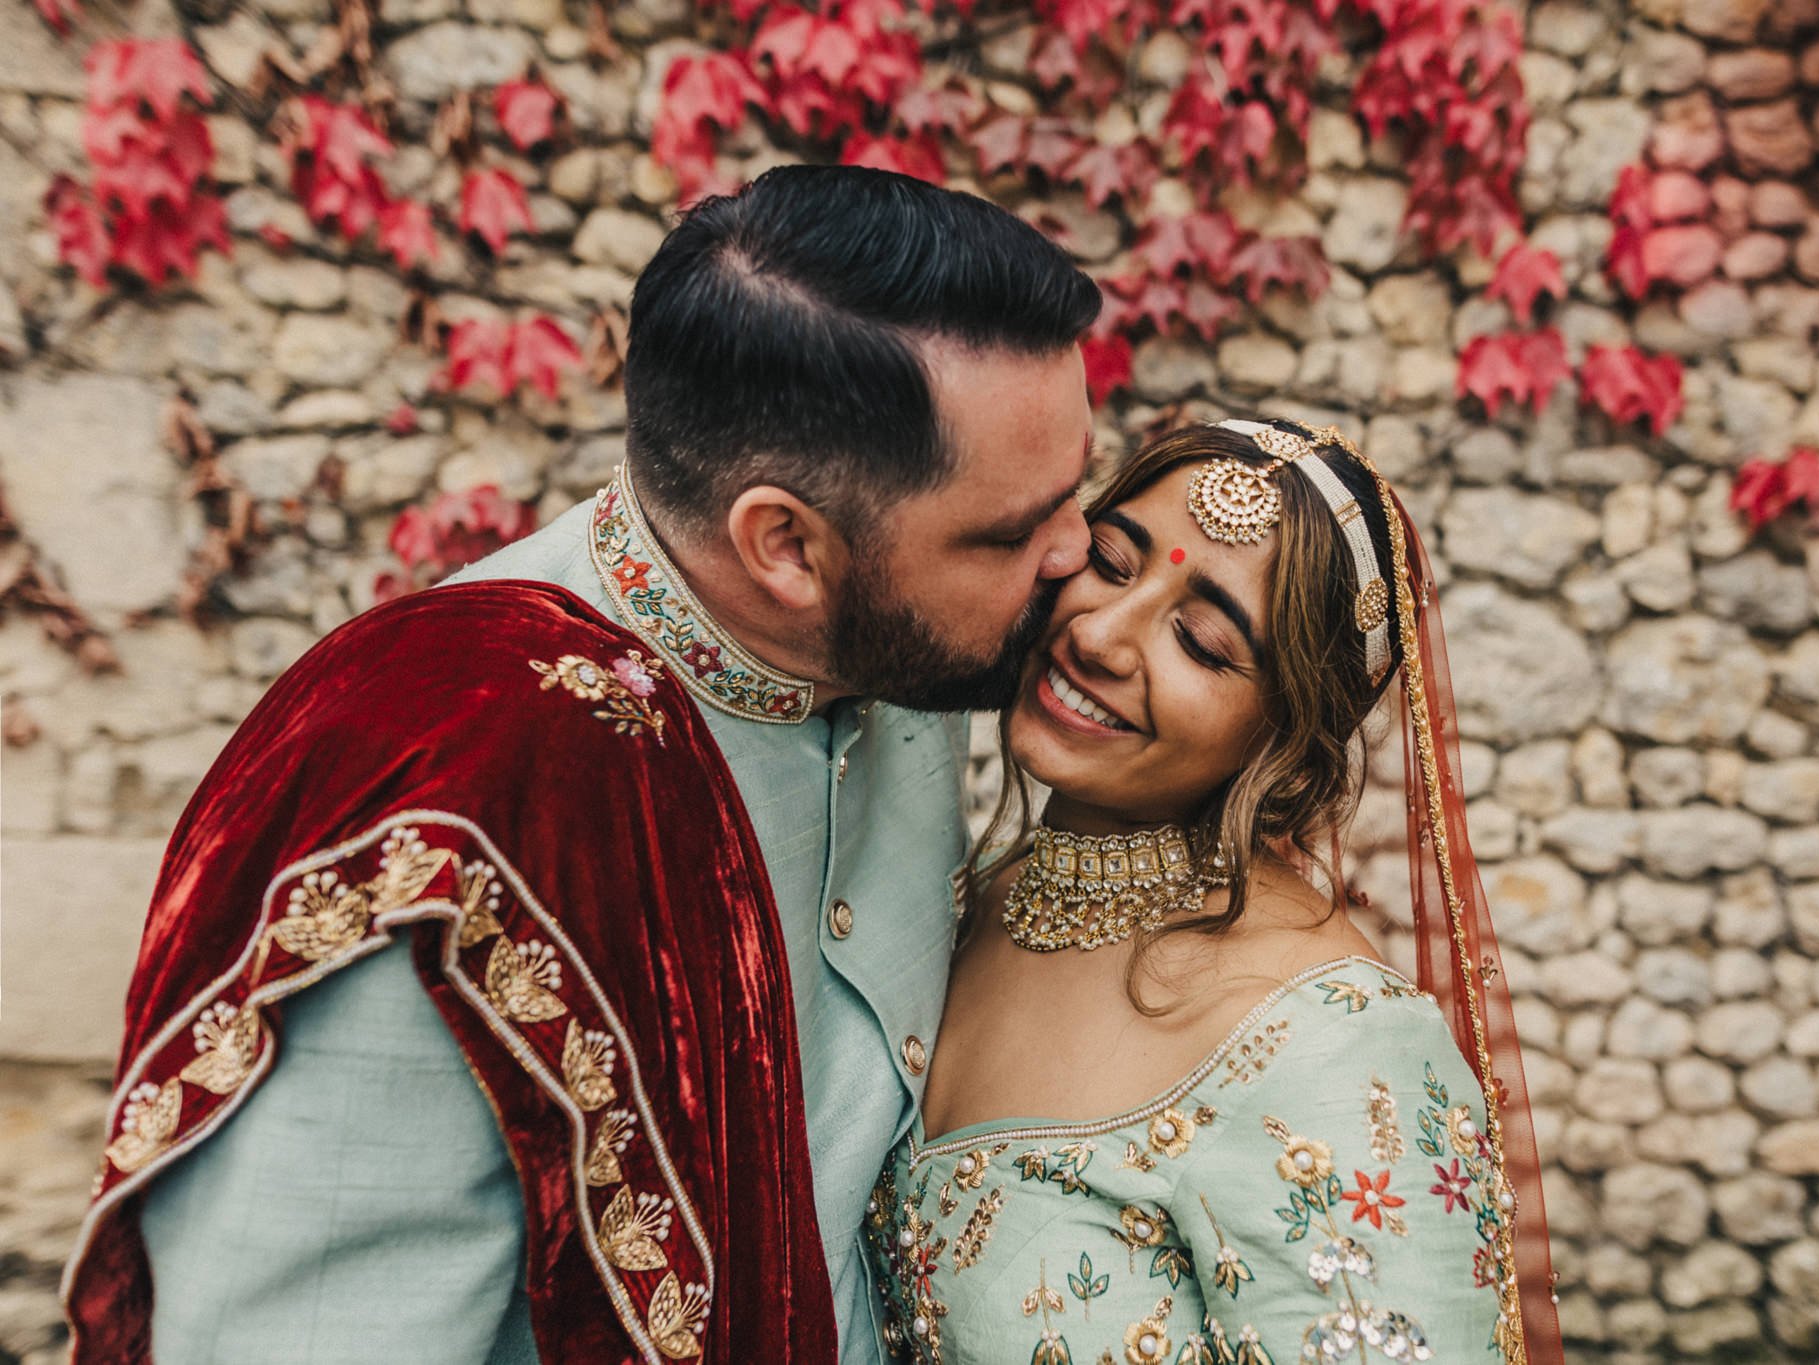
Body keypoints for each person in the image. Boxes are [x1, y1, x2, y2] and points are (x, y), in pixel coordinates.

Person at [63, 165, 1100, 1364]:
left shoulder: (904, 650)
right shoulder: (447, 799)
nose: (1075, 554)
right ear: (788, 548)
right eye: (1015, 529)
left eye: (1068, 491)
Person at [863, 419, 1565, 1364]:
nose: (1100, 634)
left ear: (1287, 735)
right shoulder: (967, 899)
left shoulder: (1336, 1042)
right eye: (1111, 562)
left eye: (1200, 640)